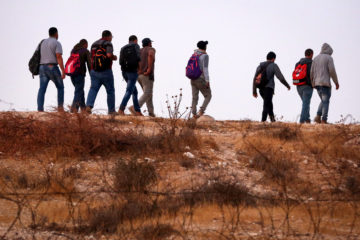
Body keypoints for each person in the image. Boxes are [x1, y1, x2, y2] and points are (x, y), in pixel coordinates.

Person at [85, 30, 117, 115]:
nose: (111, 38)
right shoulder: (108, 43)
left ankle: (88, 106)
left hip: (94, 71)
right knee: (110, 91)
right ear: (108, 36)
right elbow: (109, 55)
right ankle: (111, 111)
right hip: (106, 71)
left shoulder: (93, 44)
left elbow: (91, 57)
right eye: (111, 37)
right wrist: (114, 57)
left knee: (93, 89)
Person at [253, 52, 291, 122]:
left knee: (269, 103)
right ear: (273, 58)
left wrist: (254, 91)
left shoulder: (260, 66)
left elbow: (254, 78)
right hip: (268, 88)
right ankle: (263, 121)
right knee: (266, 104)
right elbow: (280, 77)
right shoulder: (273, 65)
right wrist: (287, 85)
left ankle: (273, 120)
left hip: (261, 89)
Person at [37, 27, 65, 112]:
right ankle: (60, 109)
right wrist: (63, 71)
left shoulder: (42, 42)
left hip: (42, 67)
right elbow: (58, 56)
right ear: (56, 34)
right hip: (52, 67)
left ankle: (40, 109)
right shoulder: (57, 43)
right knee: (60, 87)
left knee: (42, 89)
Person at [310, 43, 339, 124]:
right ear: (329, 51)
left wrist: (313, 83)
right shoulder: (329, 58)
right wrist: (336, 82)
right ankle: (324, 120)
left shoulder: (315, 58)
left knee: (323, 100)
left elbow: (311, 72)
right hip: (325, 83)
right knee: (326, 101)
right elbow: (332, 71)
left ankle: (318, 117)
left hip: (317, 84)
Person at [118, 35, 142, 116]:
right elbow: (139, 57)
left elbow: (120, 62)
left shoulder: (123, 48)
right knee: (129, 90)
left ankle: (137, 111)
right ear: (135, 40)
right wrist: (140, 69)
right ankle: (121, 109)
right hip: (132, 72)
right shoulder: (136, 46)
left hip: (124, 72)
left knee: (134, 91)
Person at [134, 38, 156, 117]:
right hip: (147, 75)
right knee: (148, 93)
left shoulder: (139, 50)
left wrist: (138, 70)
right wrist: (149, 69)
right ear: (149, 43)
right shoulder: (151, 49)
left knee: (148, 94)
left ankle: (151, 113)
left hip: (139, 75)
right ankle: (135, 108)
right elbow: (150, 55)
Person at [190, 41, 212, 118]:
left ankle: (194, 114)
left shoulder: (194, 54)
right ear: (205, 47)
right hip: (200, 78)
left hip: (192, 78)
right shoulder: (205, 56)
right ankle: (201, 112)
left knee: (194, 97)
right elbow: (205, 68)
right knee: (208, 95)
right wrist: (207, 80)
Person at [69, 39, 91, 113]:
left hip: (72, 74)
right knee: (78, 91)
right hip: (80, 74)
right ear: (85, 44)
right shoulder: (85, 51)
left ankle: (83, 109)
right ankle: (73, 109)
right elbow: (89, 64)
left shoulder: (73, 50)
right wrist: (92, 75)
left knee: (80, 90)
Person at [295, 49, 314, 124]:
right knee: (306, 103)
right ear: (311, 54)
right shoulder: (312, 63)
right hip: (307, 85)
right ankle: (301, 122)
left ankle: (307, 119)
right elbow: (313, 74)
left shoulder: (298, 63)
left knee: (305, 103)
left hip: (298, 86)